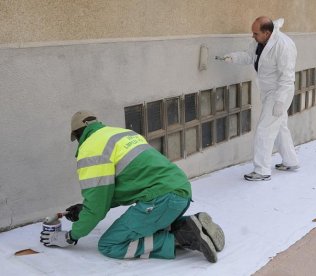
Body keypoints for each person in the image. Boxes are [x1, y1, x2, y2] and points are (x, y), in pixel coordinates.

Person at [40, 111, 225, 263]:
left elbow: (97, 208)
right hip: (179, 190)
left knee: (110, 244)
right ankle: (190, 225)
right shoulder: (121, 134)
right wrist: (85, 209)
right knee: (148, 225)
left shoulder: (90, 149)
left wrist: (70, 237)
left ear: (78, 135)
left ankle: (181, 238)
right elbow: (123, 186)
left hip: (161, 199)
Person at [221, 16, 299, 181]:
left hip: (279, 92)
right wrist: (233, 57)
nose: (253, 36)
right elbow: (249, 56)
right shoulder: (259, 42)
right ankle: (291, 161)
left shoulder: (283, 45)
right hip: (268, 91)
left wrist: (279, 101)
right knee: (280, 127)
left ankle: (262, 170)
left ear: (267, 33)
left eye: (255, 33)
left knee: (265, 129)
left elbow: (287, 77)